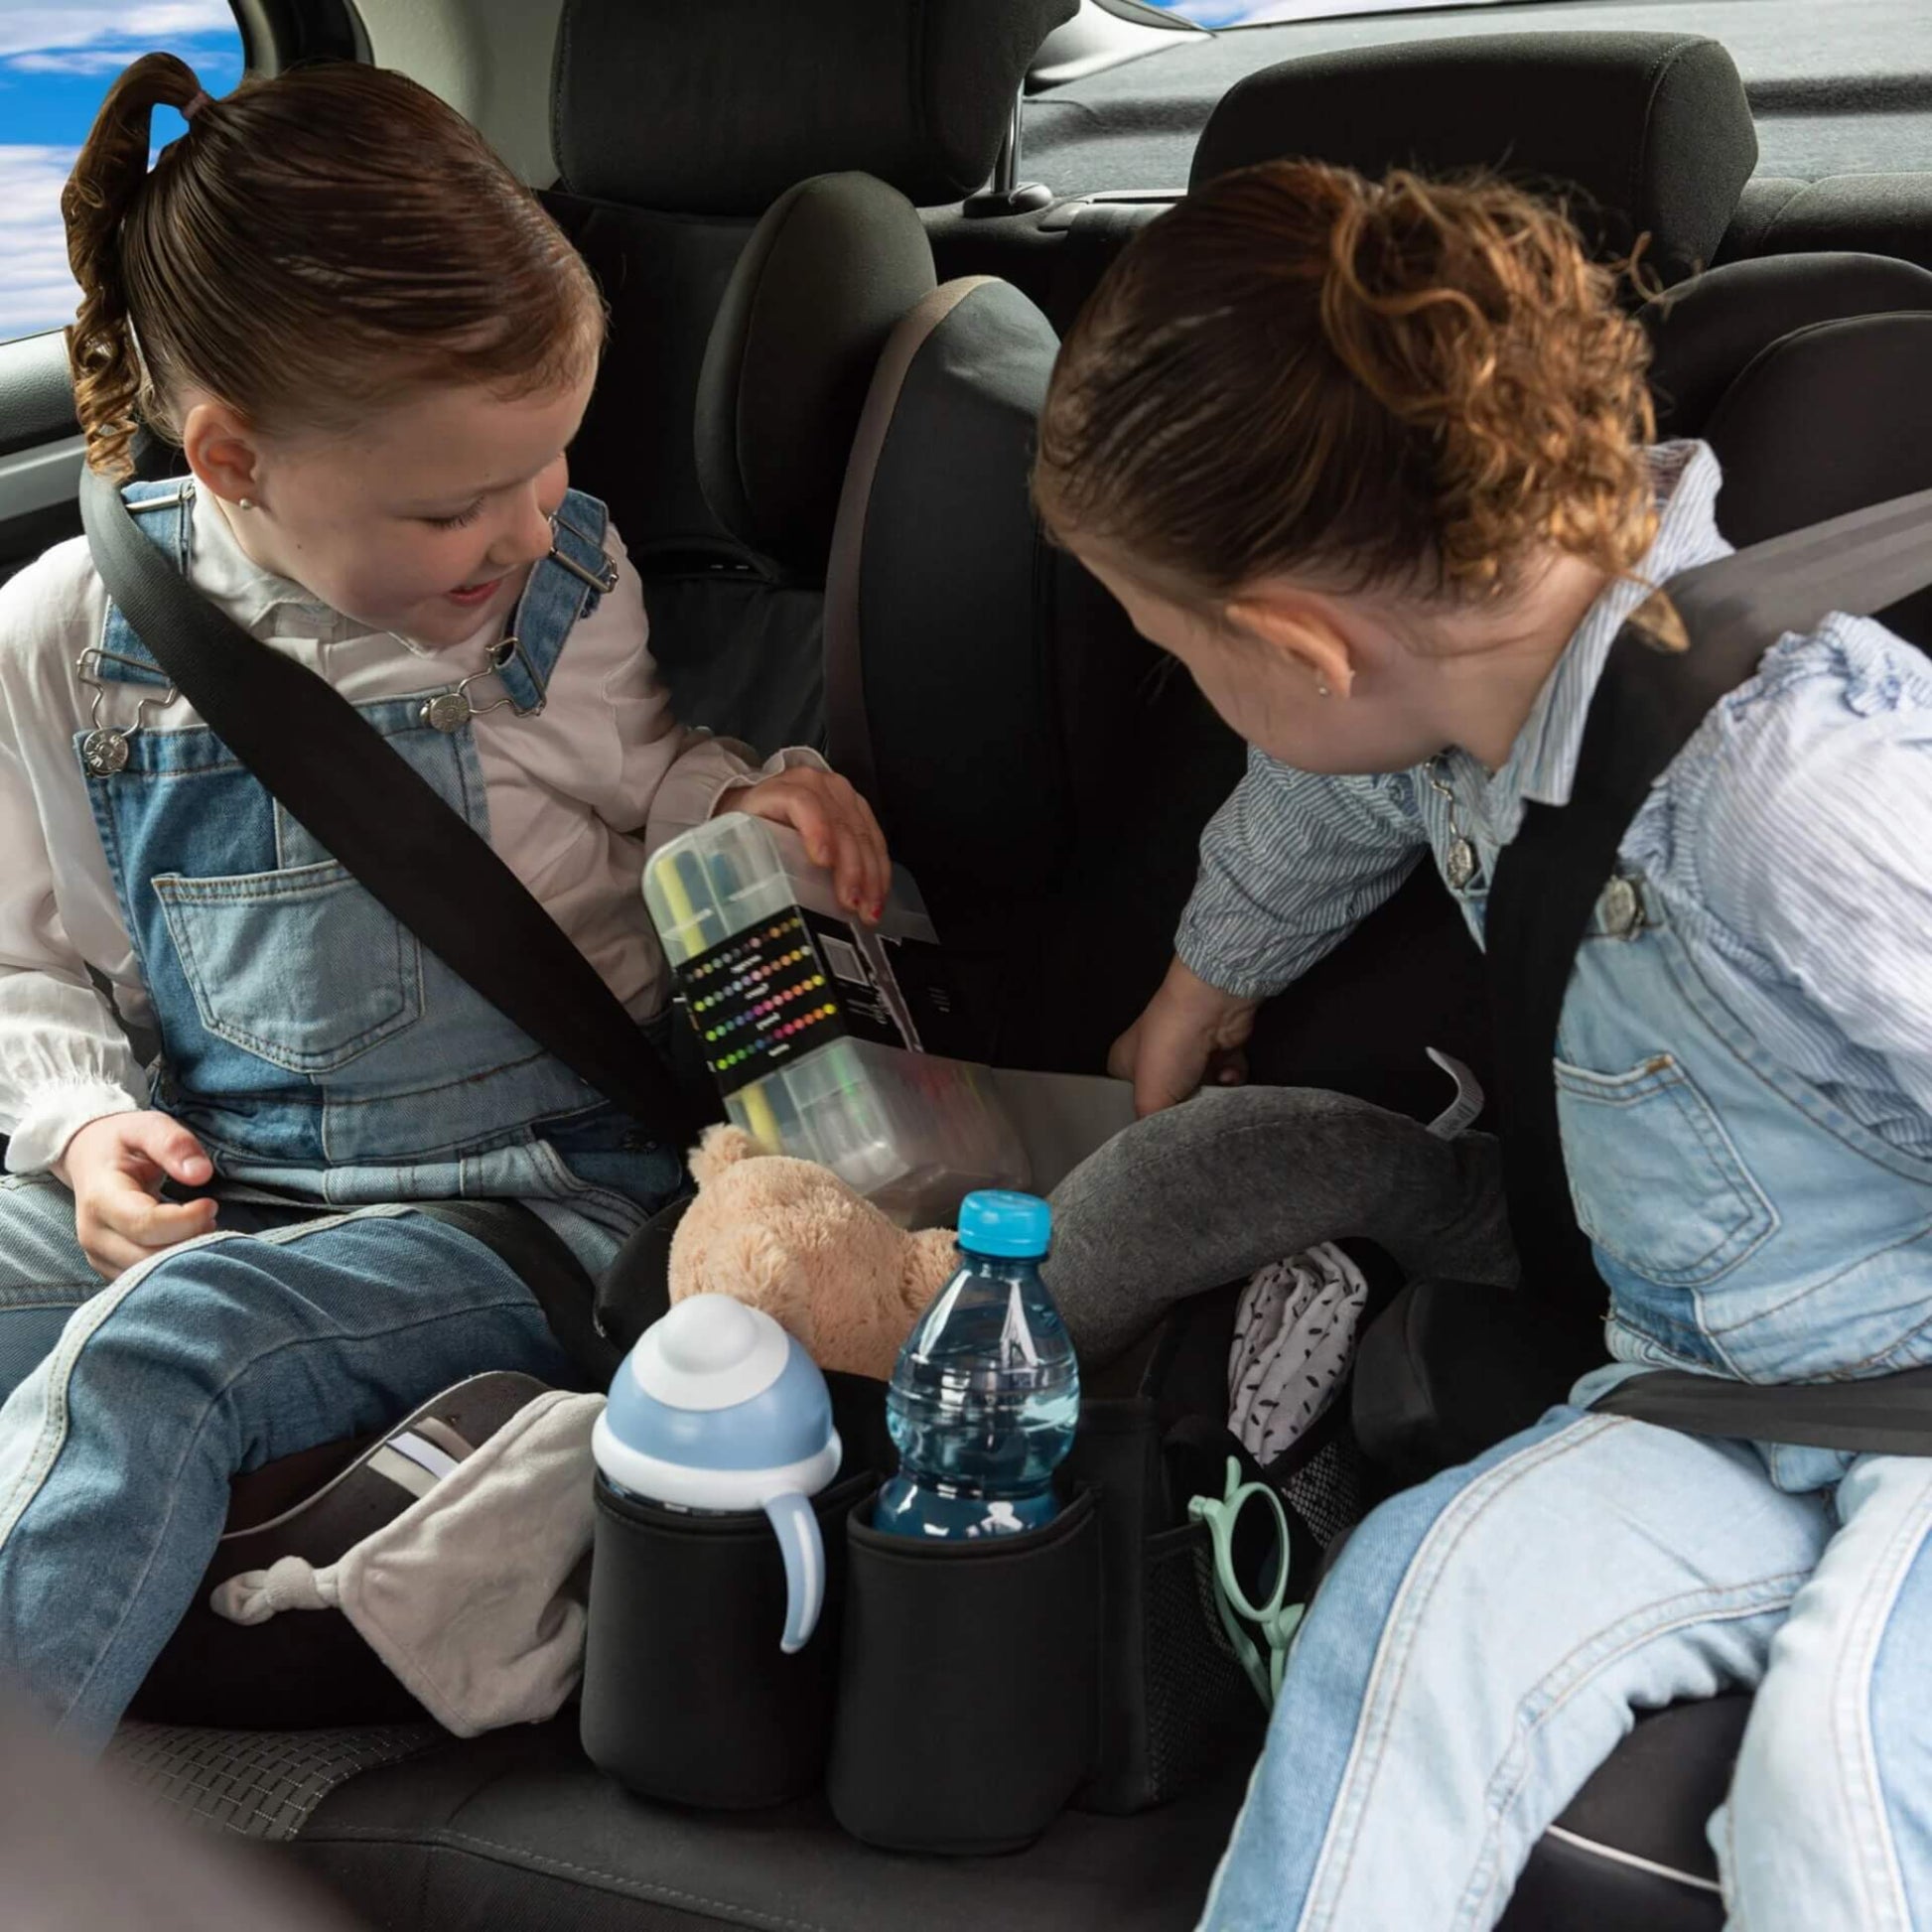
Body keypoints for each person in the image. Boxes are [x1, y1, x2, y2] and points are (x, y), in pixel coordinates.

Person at [1035, 160, 1932, 1931]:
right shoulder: (1471, 711)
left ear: (1298, 643)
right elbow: (1318, 796)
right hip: (1700, 1399)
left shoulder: (1788, 793)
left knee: (1836, 1783)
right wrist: (1205, 976)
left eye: (1173, 653)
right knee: (1408, 1604)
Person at [0, 54, 888, 1746]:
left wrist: (745, 802)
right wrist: (84, 1130)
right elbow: (26, 963)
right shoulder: (67, 640)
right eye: (454, 503)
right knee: (135, 1296)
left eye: (549, 465)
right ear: (234, 457)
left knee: (156, 1353)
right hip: (229, 1190)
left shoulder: (558, 588)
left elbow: (646, 781)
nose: (528, 525)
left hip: (528, 1202)